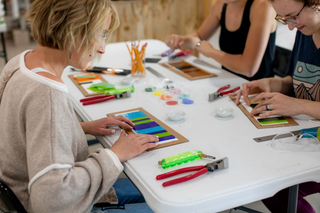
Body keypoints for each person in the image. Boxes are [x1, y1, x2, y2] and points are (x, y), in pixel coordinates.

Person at [0, 0, 158, 212]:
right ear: (74, 29)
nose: (102, 48)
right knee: (161, 203)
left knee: (143, 190)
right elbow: (50, 199)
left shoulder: (21, 61)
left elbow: (23, 129)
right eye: (100, 34)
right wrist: (115, 155)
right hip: (36, 202)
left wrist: (77, 127)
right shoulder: (47, 93)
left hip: (15, 193)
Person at [234, 0, 320, 211]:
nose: (290, 26)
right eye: (284, 19)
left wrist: (298, 106)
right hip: (308, 139)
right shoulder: (305, 31)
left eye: (293, 16)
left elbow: (299, 101)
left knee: (275, 186)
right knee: (261, 177)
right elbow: (296, 81)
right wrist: (273, 83)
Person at [165, 0, 277, 81]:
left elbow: (248, 68)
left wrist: (211, 52)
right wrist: (182, 40)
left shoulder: (263, 6)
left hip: (257, 90)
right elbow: (199, 37)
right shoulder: (221, 4)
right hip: (228, 80)